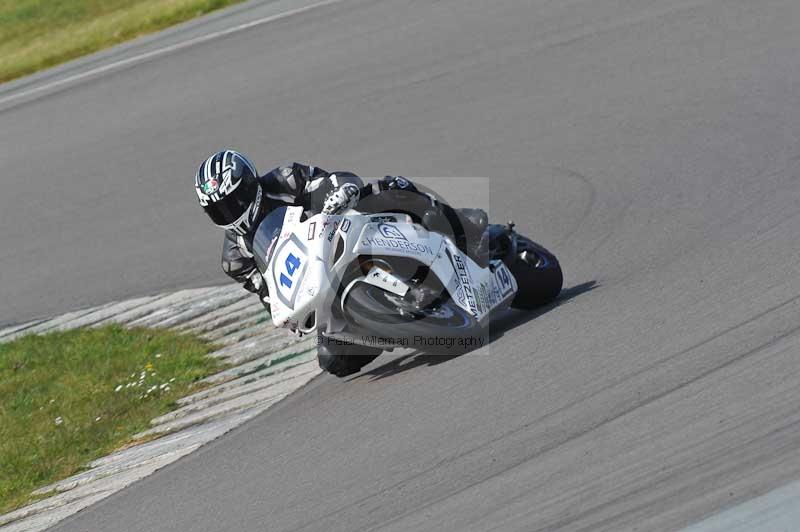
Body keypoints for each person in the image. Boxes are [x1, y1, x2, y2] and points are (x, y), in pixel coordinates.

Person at [193, 149, 489, 310]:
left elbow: (334, 180)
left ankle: (464, 231)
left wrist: (341, 191)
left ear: (248, 185)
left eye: (233, 201)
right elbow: (268, 295)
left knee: (390, 188)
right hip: (315, 279)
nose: (230, 211)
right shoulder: (234, 259)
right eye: (220, 209)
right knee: (335, 362)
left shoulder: (286, 179)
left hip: (342, 229)